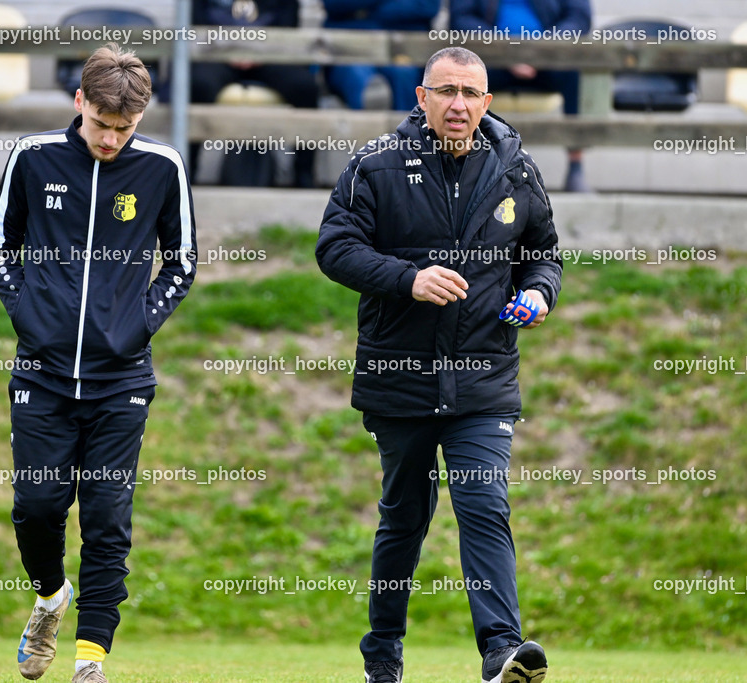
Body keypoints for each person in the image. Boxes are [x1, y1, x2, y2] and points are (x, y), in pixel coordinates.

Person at [316, 47, 561, 683]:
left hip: (484, 380)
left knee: (484, 503)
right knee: (404, 518)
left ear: (487, 101)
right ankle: (383, 657)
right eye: (446, 91)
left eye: (472, 93)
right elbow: (335, 249)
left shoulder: (516, 169)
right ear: (420, 97)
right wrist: (408, 279)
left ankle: (501, 651)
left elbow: (545, 254)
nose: (459, 105)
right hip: (399, 378)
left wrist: (537, 293)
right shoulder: (376, 166)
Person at [0, 43, 196, 683]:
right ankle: (50, 597)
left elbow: (182, 262)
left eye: (123, 128)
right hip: (42, 375)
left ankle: (89, 659)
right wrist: (30, 317)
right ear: (79, 102)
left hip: (121, 380)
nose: (110, 138)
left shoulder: (163, 167)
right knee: (38, 506)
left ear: (141, 119)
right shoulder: (34, 156)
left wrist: (137, 326)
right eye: (101, 124)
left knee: (107, 517)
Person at [450, 0, 593, 192]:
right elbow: (461, 18)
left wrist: (541, 50)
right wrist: (505, 51)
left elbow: (579, 17)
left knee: (575, 74)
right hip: (491, 59)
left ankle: (576, 167)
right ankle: (466, 168)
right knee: (464, 79)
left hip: (548, 58)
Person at [190, 0, 319, 187]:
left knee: (305, 88)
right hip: (215, 55)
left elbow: (289, 26)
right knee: (198, 85)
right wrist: (225, 51)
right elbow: (196, 24)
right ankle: (187, 173)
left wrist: (260, 52)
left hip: (272, 56)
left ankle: (304, 176)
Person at [322, 0, 440, 111]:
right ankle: (367, 130)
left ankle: (407, 131)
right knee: (357, 76)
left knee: (404, 74)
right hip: (349, 50)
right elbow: (333, 3)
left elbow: (426, 6)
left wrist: (366, 12)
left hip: (402, 50)